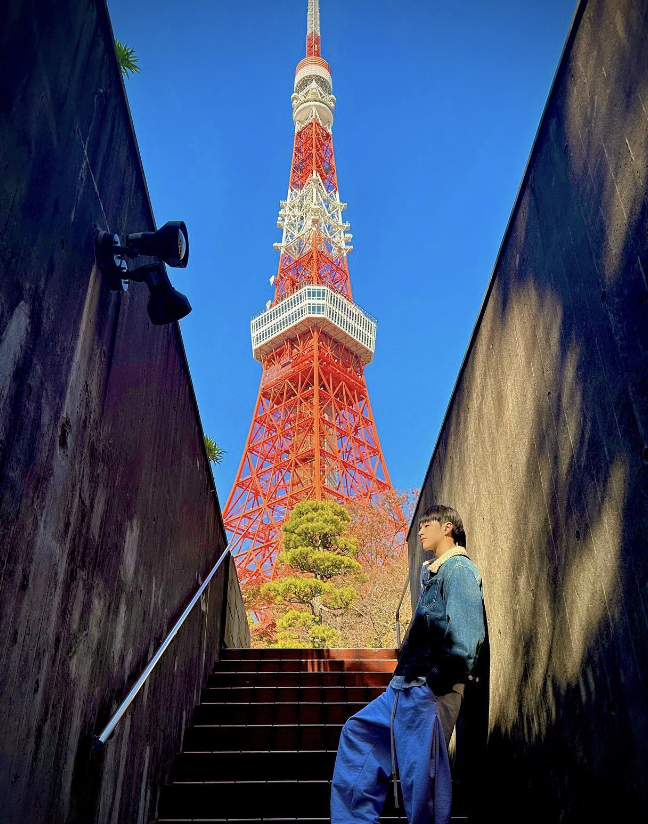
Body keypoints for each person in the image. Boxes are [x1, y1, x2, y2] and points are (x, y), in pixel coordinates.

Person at [330, 504, 485, 824]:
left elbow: (469, 636)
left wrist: (435, 683)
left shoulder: (458, 569)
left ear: (448, 528)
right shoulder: (434, 574)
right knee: (357, 732)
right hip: (402, 687)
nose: (420, 530)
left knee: (420, 780)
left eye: (427, 524)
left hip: (427, 690)